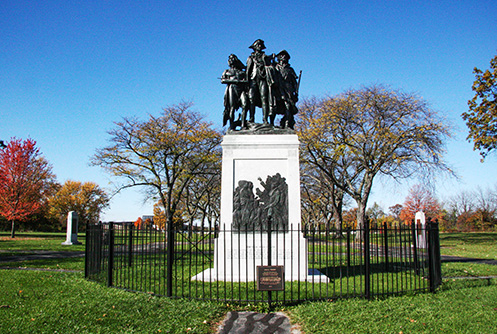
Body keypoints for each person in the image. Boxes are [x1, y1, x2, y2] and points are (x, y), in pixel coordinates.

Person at [246, 39, 274, 124]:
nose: (259, 46)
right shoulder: (251, 57)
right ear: (254, 47)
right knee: (251, 99)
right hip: (253, 79)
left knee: (264, 98)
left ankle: (265, 119)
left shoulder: (265, 57)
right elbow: (248, 70)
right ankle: (251, 118)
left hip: (263, 78)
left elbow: (271, 66)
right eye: (257, 45)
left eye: (260, 45)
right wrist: (246, 83)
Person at [221, 54, 249, 129]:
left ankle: (243, 125)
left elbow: (247, 81)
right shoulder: (227, 71)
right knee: (232, 107)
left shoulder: (242, 72)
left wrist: (243, 81)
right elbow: (223, 80)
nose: (231, 61)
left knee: (245, 105)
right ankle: (232, 126)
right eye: (230, 59)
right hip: (232, 88)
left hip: (242, 90)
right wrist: (233, 81)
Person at [275, 50, 299, 129]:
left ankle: (287, 124)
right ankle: (270, 123)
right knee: (274, 106)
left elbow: (294, 82)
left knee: (288, 107)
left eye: (285, 56)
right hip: (277, 89)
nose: (284, 57)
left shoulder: (290, 69)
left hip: (288, 90)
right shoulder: (275, 67)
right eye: (282, 56)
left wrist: (295, 92)